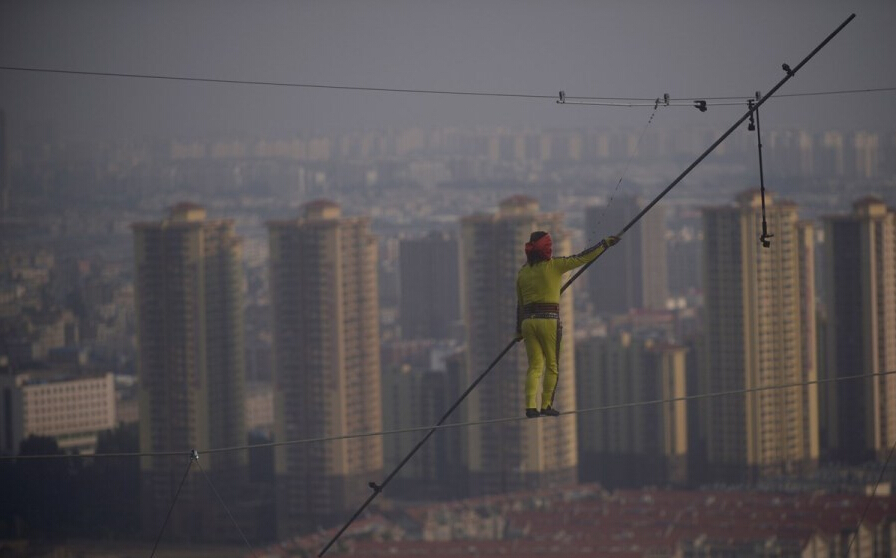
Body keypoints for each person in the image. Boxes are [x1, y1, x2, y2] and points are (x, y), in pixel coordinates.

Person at [516, 231, 619, 418]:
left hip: (527, 323)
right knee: (552, 365)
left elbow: (520, 304)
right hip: (548, 321)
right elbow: (582, 258)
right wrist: (604, 244)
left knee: (535, 366)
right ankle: (546, 405)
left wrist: (518, 332)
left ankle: (530, 407)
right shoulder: (554, 265)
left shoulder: (523, 272)